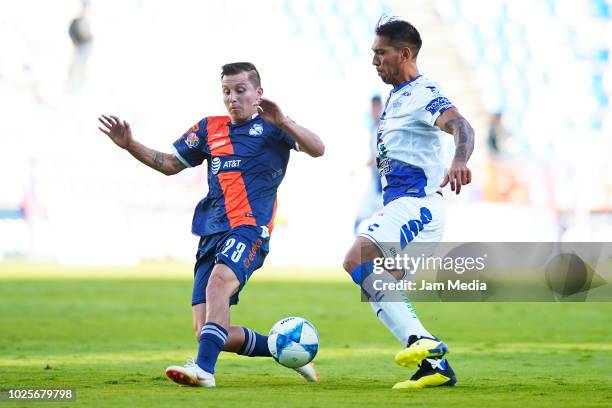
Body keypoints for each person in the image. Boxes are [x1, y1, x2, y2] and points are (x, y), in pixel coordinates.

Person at [98, 62, 325, 387]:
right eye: (226, 92)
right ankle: (287, 350)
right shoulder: (209, 128)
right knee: (207, 329)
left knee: (218, 284)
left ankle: (204, 371)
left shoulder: (274, 127)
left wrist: (284, 120)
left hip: (249, 230)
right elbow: (169, 165)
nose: (233, 98)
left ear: (258, 93)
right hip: (211, 232)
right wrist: (130, 144)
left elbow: (318, 149)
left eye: (240, 90)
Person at [342, 17, 474, 389]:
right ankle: (434, 367)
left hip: (417, 204)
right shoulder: (396, 96)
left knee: (357, 259)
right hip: (407, 206)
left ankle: (423, 343)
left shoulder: (424, 92)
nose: (374, 61)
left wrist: (460, 158)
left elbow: (462, 126)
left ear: (405, 53)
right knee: (378, 284)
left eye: (380, 53)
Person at [353, 95, 384, 233]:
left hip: (385, 184)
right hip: (375, 182)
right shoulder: (373, 129)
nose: (374, 111)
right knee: (361, 218)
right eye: (373, 108)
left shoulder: (387, 129)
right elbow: (373, 157)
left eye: (377, 107)